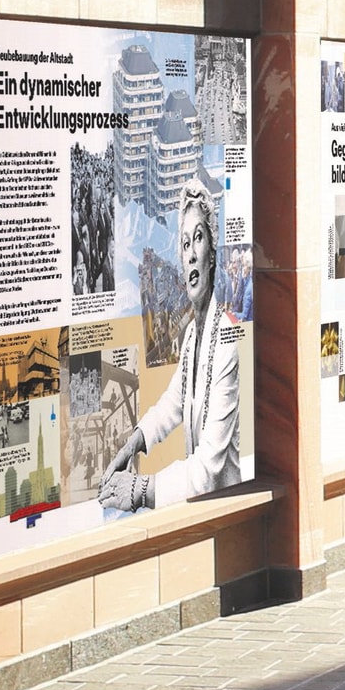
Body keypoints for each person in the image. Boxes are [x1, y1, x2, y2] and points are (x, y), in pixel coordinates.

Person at [99, 187, 241, 516]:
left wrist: (140, 490)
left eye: (199, 238)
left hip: (227, 510)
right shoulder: (192, 334)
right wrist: (135, 441)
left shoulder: (226, 337)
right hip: (202, 510)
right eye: (185, 243)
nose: (190, 254)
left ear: (212, 255)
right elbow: (173, 402)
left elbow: (207, 469)